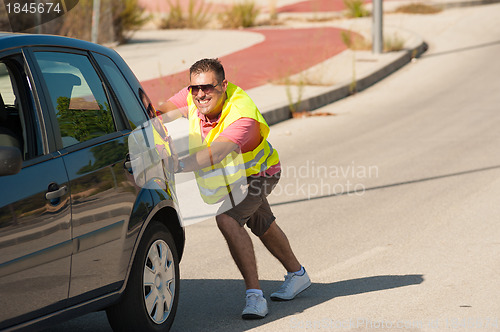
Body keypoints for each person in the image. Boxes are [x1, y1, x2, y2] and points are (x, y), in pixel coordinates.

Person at [158, 58, 311, 319]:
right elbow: (163, 110)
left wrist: (175, 163)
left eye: (207, 87)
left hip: (258, 175)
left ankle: (255, 296)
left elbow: (214, 154)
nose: (199, 94)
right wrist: (158, 131)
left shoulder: (241, 114)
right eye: (194, 88)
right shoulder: (194, 94)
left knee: (228, 220)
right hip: (232, 177)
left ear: (223, 85)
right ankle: (298, 275)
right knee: (262, 223)